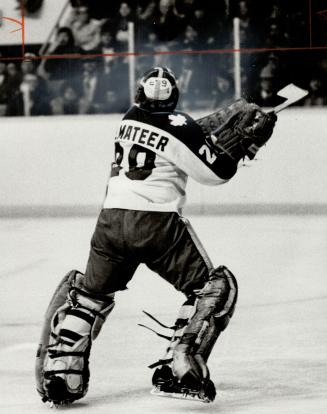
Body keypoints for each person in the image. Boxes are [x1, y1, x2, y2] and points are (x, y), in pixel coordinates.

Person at [35, 66, 277, 405]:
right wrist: (245, 144)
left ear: (139, 95)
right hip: (156, 225)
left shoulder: (129, 118)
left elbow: (174, 133)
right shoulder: (180, 126)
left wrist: (203, 130)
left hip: (109, 222)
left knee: (91, 295)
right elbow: (215, 172)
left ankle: (62, 374)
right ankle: (179, 368)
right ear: (175, 97)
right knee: (213, 288)